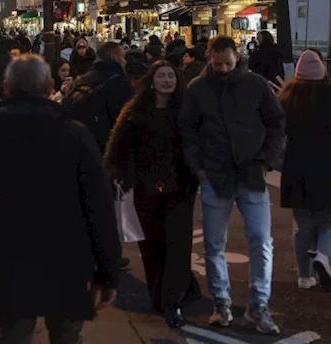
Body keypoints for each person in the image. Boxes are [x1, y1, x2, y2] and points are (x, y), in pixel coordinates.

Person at [0, 54, 121, 344]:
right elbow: (99, 209)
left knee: (15, 334)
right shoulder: (74, 135)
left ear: (6, 88)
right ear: (49, 87)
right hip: (67, 258)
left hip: (7, 258)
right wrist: (107, 271)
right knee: (67, 335)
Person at [180, 36, 285, 333]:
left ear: (236, 57)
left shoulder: (256, 85)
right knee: (216, 244)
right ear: (210, 60)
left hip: (248, 172)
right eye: (217, 64)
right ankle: (223, 303)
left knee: (261, 242)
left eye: (227, 63)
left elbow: (276, 122)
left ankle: (258, 305)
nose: (223, 68)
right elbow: (187, 128)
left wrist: (266, 161)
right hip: (217, 173)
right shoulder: (199, 89)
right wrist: (198, 167)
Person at [105, 61, 200, 328]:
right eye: (162, 76)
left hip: (179, 188)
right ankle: (159, 296)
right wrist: (118, 176)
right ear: (152, 80)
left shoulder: (185, 111)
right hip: (145, 189)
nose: (167, 81)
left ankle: (173, 301)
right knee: (152, 245)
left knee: (178, 245)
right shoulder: (135, 111)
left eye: (171, 76)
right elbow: (116, 149)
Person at [276, 49, 331, 291]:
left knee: (304, 225)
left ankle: (304, 276)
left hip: (295, 165)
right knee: (328, 222)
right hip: (326, 165)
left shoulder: (287, 97)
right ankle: (323, 256)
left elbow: (277, 133)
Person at [60, 41, 134, 153]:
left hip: (80, 144)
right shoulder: (118, 82)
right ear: (115, 57)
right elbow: (124, 119)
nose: (125, 61)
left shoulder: (81, 80)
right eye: (123, 57)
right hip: (106, 147)